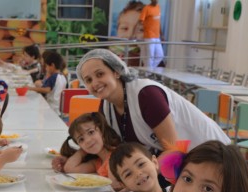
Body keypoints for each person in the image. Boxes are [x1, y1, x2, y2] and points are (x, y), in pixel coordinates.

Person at [76, 49, 228, 154]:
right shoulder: (106, 107)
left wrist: (138, 175)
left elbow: (173, 150)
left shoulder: (147, 95)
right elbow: (108, 148)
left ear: (116, 71)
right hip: (181, 161)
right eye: (88, 80)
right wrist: (72, 156)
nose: (95, 83)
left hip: (213, 154)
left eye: (100, 74)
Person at [57, 112, 120, 182]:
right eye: (81, 139)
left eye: (91, 132)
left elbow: (115, 184)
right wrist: (83, 151)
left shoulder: (117, 155)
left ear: (102, 130)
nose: (87, 140)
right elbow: (69, 168)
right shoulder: (97, 163)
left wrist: (85, 145)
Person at [114, 1, 144, 67]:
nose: (130, 35)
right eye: (125, 28)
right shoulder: (109, 54)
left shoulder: (152, 59)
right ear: (117, 30)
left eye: (140, 30)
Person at [139, 0, 165, 69]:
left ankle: (148, 69)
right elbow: (140, 21)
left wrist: (161, 34)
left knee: (160, 55)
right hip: (149, 36)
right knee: (150, 56)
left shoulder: (158, 7)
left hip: (157, 36)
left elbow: (158, 22)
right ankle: (148, 73)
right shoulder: (146, 8)